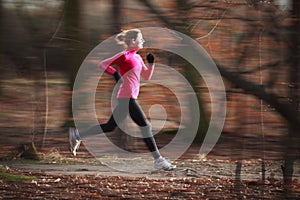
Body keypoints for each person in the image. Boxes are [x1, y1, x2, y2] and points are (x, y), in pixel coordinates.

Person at [69, 29, 176, 171]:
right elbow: (102, 64)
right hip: (127, 96)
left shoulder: (137, 57)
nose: (143, 40)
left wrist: (151, 64)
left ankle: (76, 134)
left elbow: (146, 76)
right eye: (141, 38)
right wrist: (115, 74)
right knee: (145, 126)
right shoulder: (124, 56)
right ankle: (158, 160)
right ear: (133, 41)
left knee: (110, 126)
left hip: (129, 96)